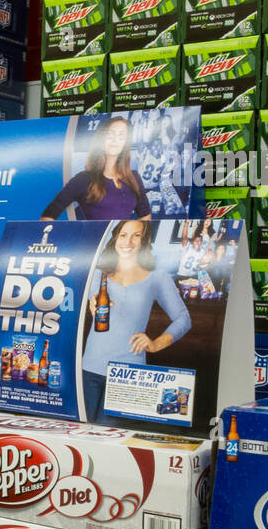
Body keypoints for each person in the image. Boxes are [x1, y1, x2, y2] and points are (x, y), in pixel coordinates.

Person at [82, 220, 192, 423]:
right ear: (115, 238)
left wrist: (156, 344)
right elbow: (86, 304)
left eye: (136, 235)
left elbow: (184, 318)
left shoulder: (157, 277)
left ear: (144, 240)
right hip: (88, 368)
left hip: (128, 374)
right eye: (123, 235)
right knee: (79, 434)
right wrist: (91, 304)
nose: (128, 242)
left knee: (111, 439)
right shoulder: (98, 273)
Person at [42, 116, 151, 221]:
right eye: (110, 135)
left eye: (121, 136)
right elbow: (47, 216)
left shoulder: (134, 178)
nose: (115, 140)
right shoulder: (83, 179)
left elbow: (145, 216)